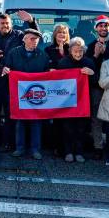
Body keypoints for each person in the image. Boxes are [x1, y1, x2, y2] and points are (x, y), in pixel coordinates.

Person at [0, 11, 38, 151]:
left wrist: (31, 21)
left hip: (13, 80)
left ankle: (8, 142)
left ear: (11, 24)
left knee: (10, 113)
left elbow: (34, 36)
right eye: (2, 23)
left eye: (7, 23)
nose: (4, 25)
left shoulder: (19, 36)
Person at [3, 29, 51, 160]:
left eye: (36, 39)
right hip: (19, 93)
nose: (34, 41)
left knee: (36, 121)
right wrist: (6, 70)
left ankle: (35, 149)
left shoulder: (43, 55)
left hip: (36, 93)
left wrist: (51, 73)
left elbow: (47, 74)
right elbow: (7, 68)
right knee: (20, 121)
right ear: (24, 39)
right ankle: (20, 148)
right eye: (31, 38)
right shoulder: (14, 53)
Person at [85, 14, 109, 159]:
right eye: (100, 25)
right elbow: (88, 66)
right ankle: (98, 146)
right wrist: (95, 54)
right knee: (96, 117)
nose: (103, 28)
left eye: (106, 25)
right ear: (96, 28)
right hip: (97, 88)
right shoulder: (91, 45)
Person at [57, 37, 96, 163]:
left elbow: (97, 83)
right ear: (70, 51)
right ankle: (68, 152)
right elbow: (57, 82)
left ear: (84, 51)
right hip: (67, 100)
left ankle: (79, 152)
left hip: (83, 101)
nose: (78, 53)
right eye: (75, 51)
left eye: (80, 51)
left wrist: (92, 74)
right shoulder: (63, 63)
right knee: (67, 127)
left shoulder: (89, 63)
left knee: (81, 128)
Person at [44, 23, 71, 156]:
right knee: (55, 120)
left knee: (68, 121)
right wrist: (49, 70)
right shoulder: (48, 49)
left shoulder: (72, 49)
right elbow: (45, 66)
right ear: (55, 34)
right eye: (59, 32)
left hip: (69, 90)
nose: (62, 35)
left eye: (64, 32)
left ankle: (67, 148)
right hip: (54, 89)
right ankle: (56, 146)